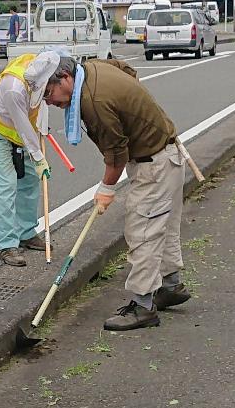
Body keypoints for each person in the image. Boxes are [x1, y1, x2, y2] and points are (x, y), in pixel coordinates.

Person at [41, 57, 188, 333]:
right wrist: (134, 109)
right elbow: (128, 71)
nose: (50, 102)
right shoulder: (93, 68)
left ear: (66, 78)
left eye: (49, 94)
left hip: (153, 164)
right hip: (168, 155)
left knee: (142, 231)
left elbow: (116, 154)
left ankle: (143, 306)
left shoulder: (93, 102)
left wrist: (106, 189)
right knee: (163, 226)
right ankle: (170, 285)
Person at [0, 47, 63, 267]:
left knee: (30, 182)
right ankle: (6, 245)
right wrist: (39, 159)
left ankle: (26, 232)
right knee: (7, 185)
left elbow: (40, 109)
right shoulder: (14, 89)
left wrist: (43, 131)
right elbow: (24, 127)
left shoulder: (40, 70)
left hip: (22, 134)